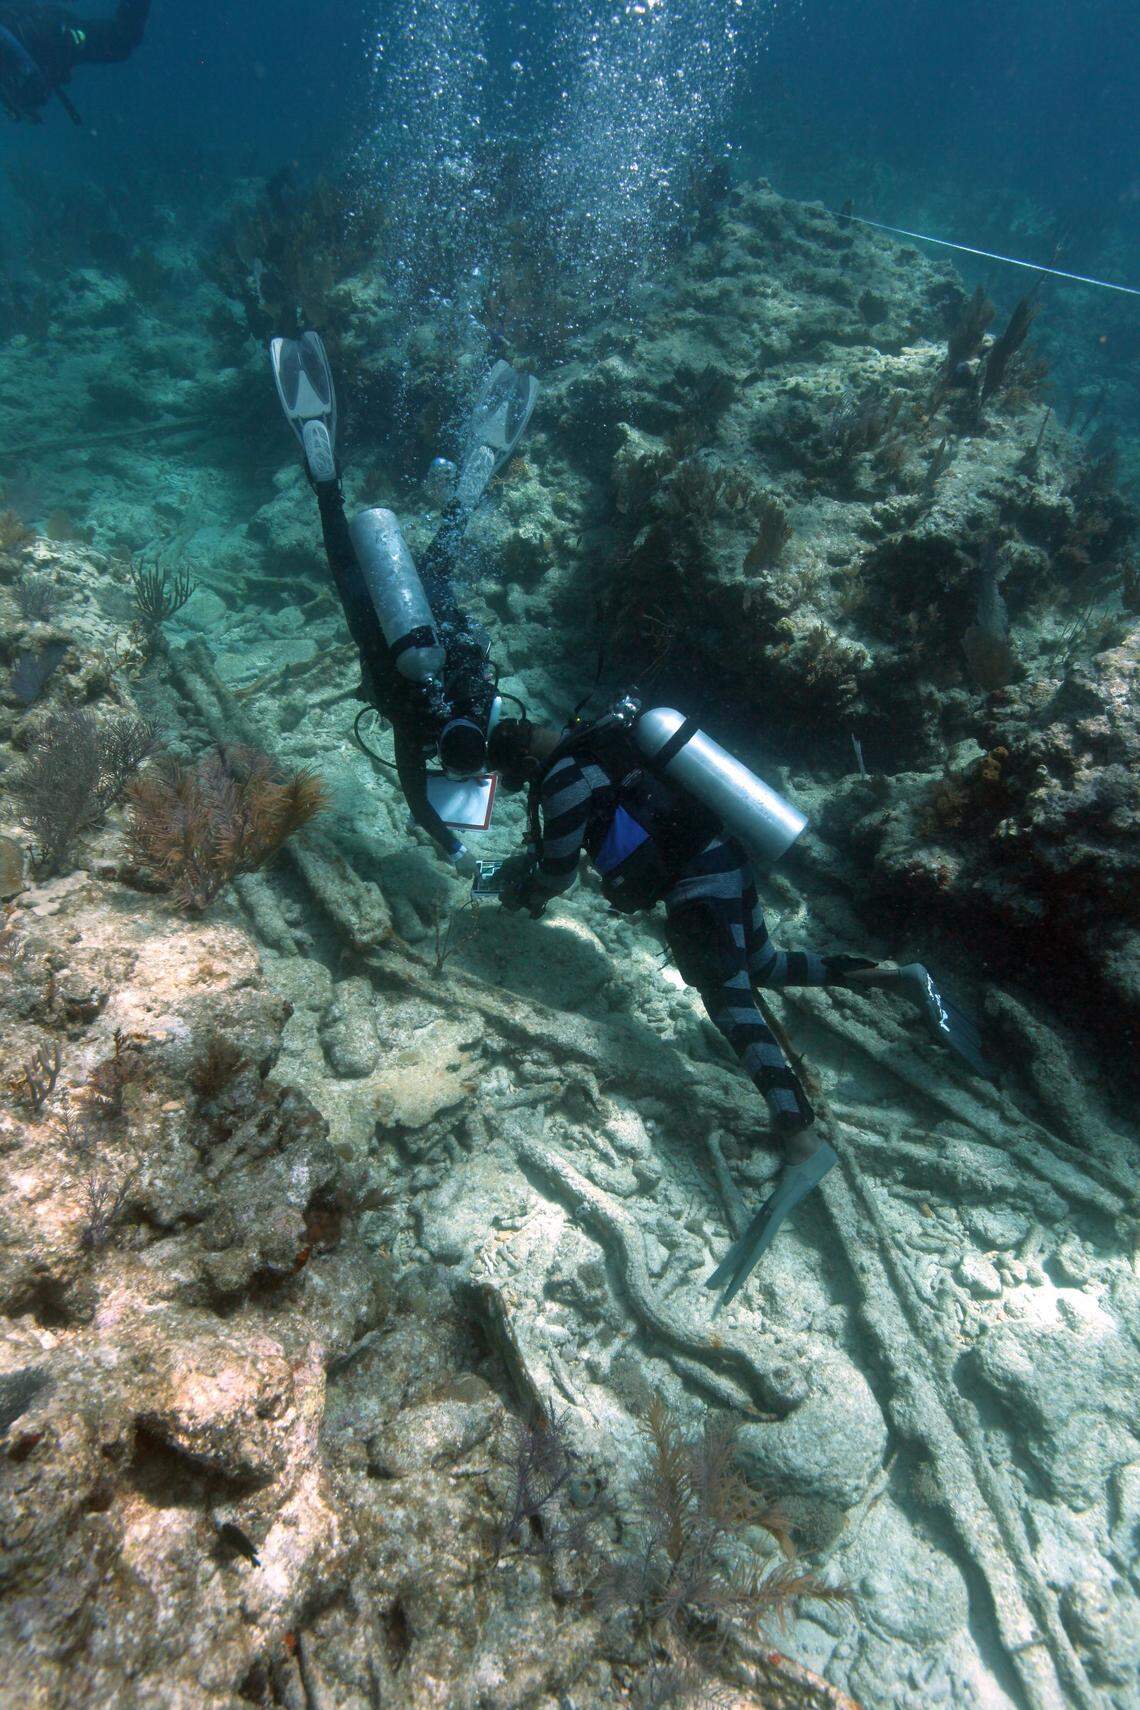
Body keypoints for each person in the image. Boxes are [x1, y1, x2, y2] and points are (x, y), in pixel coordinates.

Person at [486, 700, 985, 1303]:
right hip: (726, 854)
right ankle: (898, 977)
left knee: (730, 1005)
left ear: (518, 763)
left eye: (513, 779)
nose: (520, 788)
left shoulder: (563, 780)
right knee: (764, 966)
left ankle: (802, 1139)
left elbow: (559, 871)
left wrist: (522, 887)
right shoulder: (599, 740)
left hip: (695, 886)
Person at [270, 332, 538, 874]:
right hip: (381, 633)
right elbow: (419, 803)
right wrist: (460, 853)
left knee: (439, 561)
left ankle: (465, 496)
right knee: (344, 561)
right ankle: (328, 487)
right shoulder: (420, 735)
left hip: (426, 614)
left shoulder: (481, 710)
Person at [0, 0, 150, 123]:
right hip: (46, 31)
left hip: (55, 34)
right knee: (122, 42)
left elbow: (36, 86)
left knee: (122, 42)